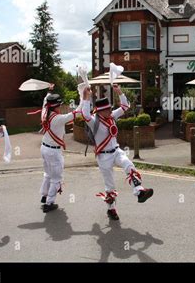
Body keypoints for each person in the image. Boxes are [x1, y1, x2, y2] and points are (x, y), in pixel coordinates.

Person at [81, 85, 153, 221]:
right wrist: (86, 97)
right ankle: (111, 209)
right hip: (103, 156)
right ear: (100, 111)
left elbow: (125, 107)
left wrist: (119, 92)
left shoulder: (112, 116)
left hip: (116, 151)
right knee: (110, 185)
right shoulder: (94, 121)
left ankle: (139, 192)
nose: (110, 110)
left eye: (109, 108)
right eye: (107, 109)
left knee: (128, 164)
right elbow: (84, 115)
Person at [39, 84, 80, 213]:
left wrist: (49, 92)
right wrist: (84, 99)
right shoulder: (57, 119)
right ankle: (49, 203)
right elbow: (76, 114)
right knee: (56, 178)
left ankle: (44, 195)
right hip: (53, 151)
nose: (60, 107)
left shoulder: (45, 112)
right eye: (59, 105)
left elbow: (45, 101)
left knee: (47, 174)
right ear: (55, 106)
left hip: (44, 148)